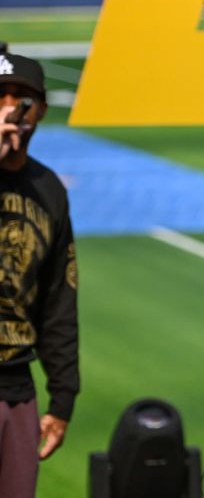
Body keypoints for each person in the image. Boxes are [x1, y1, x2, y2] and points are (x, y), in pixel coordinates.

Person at [0, 52, 78, 497]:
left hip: (16, 388)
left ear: (40, 110)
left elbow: (59, 297)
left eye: (22, 98)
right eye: (1, 97)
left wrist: (63, 397)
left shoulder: (48, 190)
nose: (11, 107)